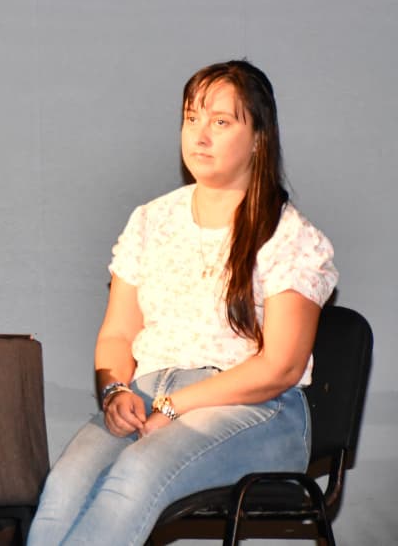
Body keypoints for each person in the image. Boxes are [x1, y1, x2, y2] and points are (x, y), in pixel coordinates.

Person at [27, 60, 338, 545]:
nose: (200, 135)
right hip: (148, 393)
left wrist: (176, 406)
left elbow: (280, 367)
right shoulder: (150, 220)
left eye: (221, 121)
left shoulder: (288, 234)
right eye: (192, 118)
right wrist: (115, 392)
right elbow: (118, 334)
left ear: (259, 138)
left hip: (255, 409)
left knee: (135, 475)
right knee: (62, 489)